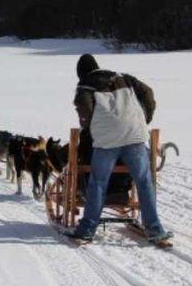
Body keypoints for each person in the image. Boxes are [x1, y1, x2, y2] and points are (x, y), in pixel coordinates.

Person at [66, 54, 172, 244]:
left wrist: (90, 126)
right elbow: (147, 93)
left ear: (81, 73)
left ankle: (86, 230)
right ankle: (155, 230)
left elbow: (83, 105)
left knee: (98, 182)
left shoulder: (85, 84)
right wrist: (144, 118)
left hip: (106, 140)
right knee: (143, 180)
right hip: (135, 135)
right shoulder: (123, 77)